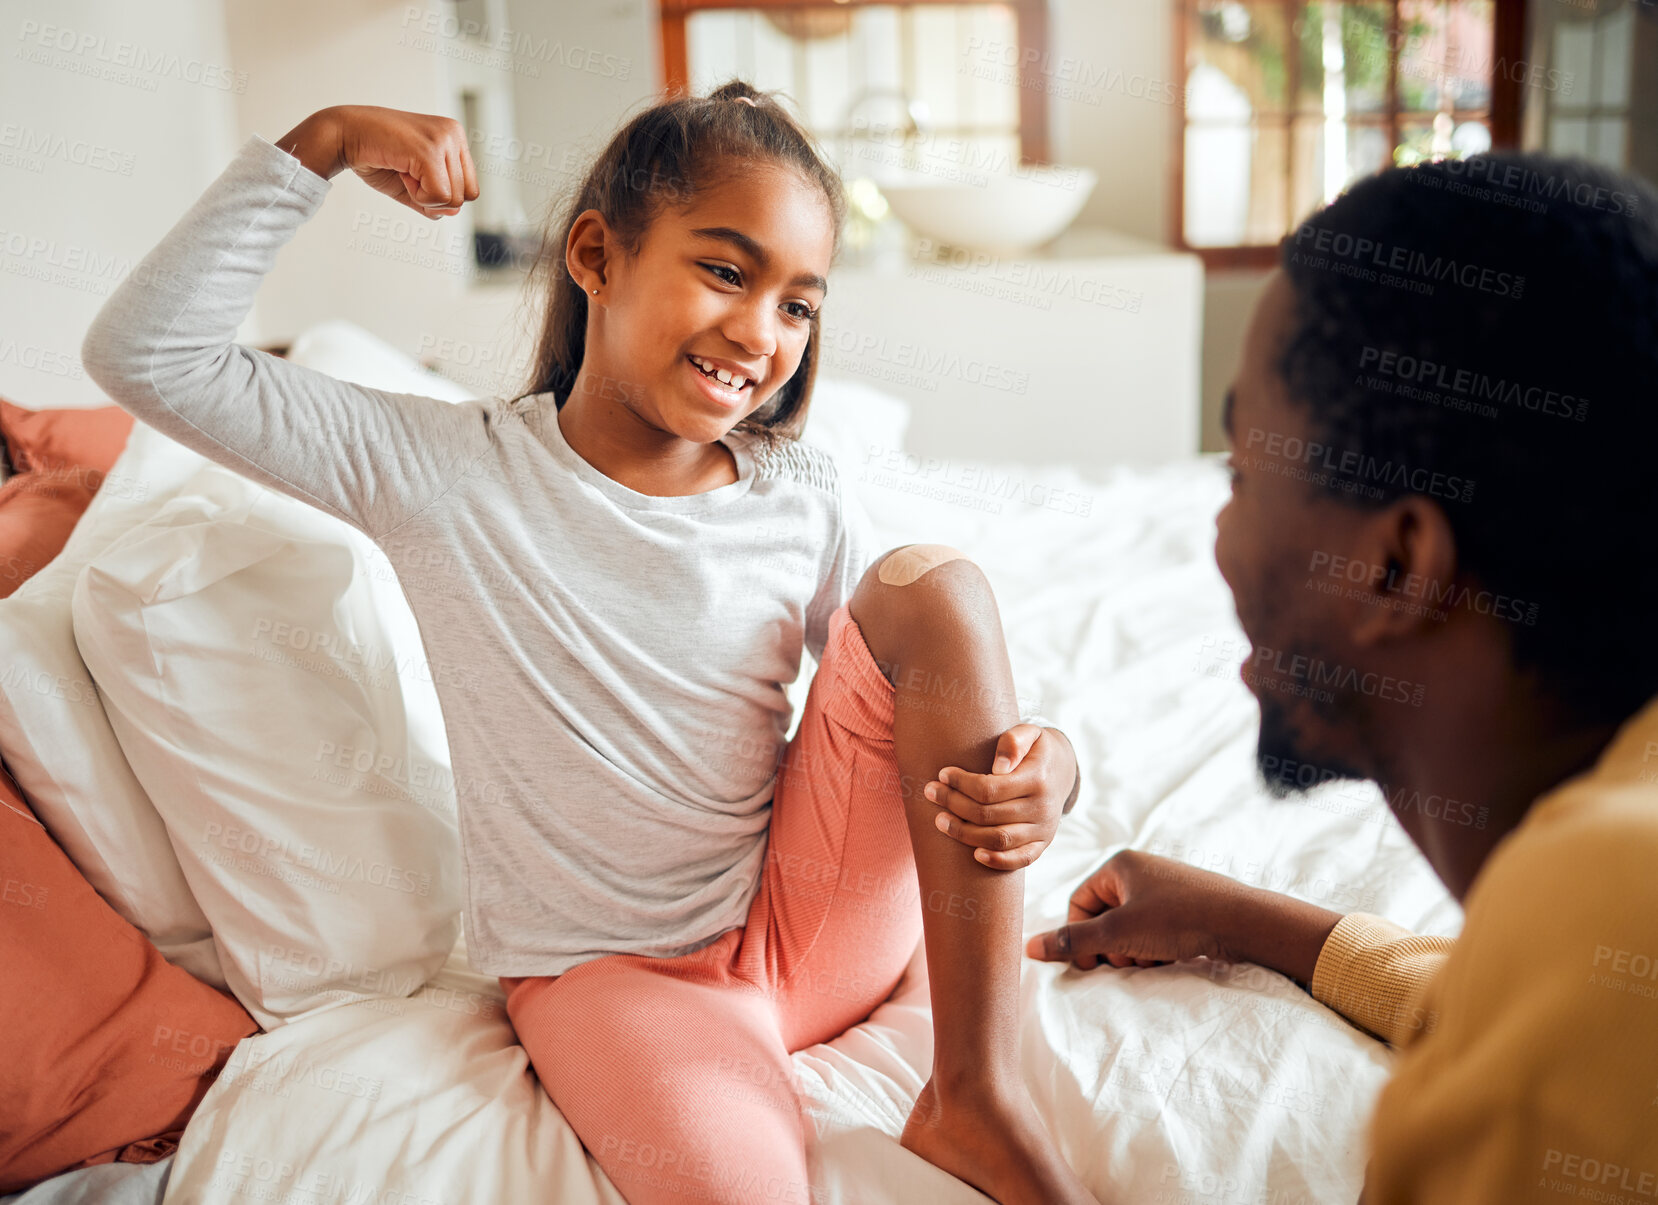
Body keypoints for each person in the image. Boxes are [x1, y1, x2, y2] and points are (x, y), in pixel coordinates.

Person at [80, 85, 1099, 1205]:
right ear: (595, 255)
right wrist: (317, 145)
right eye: (724, 271)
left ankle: (975, 1090)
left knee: (937, 589)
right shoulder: (443, 470)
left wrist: (1046, 763)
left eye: (797, 306)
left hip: (811, 929)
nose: (761, 335)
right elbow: (149, 354)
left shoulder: (793, 491)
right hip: (619, 977)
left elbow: (915, 680)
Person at [1020, 150, 1658, 1202]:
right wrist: (1250, 917)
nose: (1218, 534)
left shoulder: (1607, 888)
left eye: (1242, 474)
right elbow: (1509, 999)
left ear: (1395, 564)